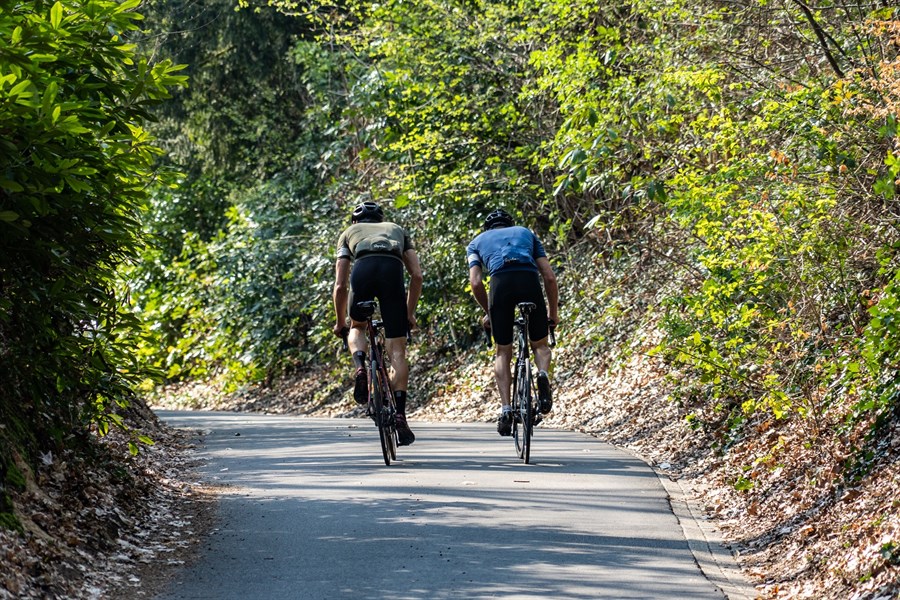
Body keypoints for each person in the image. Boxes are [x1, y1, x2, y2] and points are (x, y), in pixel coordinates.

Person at [332, 201, 423, 446]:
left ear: (355, 222)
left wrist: (341, 321)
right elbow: (417, 275)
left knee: (357, 327)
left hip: (363, 269)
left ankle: (361, 367)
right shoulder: (397, 229)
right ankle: (401, 415)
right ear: (382, 218)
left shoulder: (349, 233)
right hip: (392, 272)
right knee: (397, 352)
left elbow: (340, 285)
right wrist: (409, 313)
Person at [466, 208, 559, 436]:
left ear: (489, 228)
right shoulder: (527, 233)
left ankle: (506, 409)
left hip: (501, 285)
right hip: (529, 280)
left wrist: (489, 311)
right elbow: (548, 276)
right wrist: (553, 312)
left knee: (502, 352)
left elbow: (476, 283)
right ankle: (542, 375)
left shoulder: (476, 242)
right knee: (540, 345)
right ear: (510, 224)